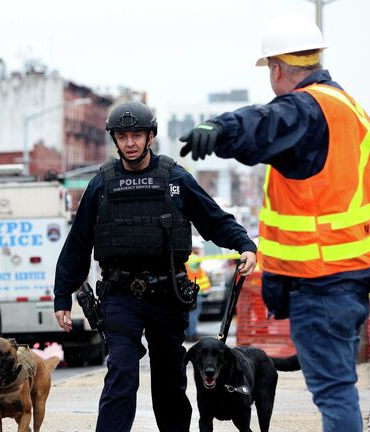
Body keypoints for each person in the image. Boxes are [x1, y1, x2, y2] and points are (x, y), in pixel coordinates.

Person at [179, 15, 370, 432]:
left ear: (277, 68)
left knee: (334, 392)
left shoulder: (307, 107)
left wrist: (220, 129)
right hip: (348, 282)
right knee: (339, 388)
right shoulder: (352, 112)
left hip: (318, 284)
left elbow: (266, 123)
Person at [54, 101, 257, 432]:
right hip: (120, 295)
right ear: (115, 140)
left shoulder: (175, 178)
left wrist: (244, 244)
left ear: (151, 137)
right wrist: (62, 295)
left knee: (169, 380)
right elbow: (78, 243)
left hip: (167, 294)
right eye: (122, 136)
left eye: (137, 135)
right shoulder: (102, 184)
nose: (130, 142)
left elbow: (212, 218)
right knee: (121, 371)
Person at [185, 238, 211, 343]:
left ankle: (189, 334)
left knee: (189, 314)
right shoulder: (194, 259)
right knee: (193, 314)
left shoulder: (187, 258)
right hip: (195, 292)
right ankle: (191, 334)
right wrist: (200, 253)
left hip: (189, 291)